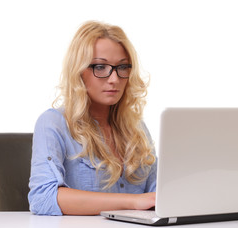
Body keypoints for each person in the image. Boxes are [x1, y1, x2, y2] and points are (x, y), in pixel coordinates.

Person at [28, 21, 157, 216]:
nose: (114, 79)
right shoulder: (53, 124)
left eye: (122, 67)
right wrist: (133, 201)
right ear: (79, 71)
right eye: (101, 67)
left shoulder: (136, 128)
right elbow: (43, 198)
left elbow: (158, 195)